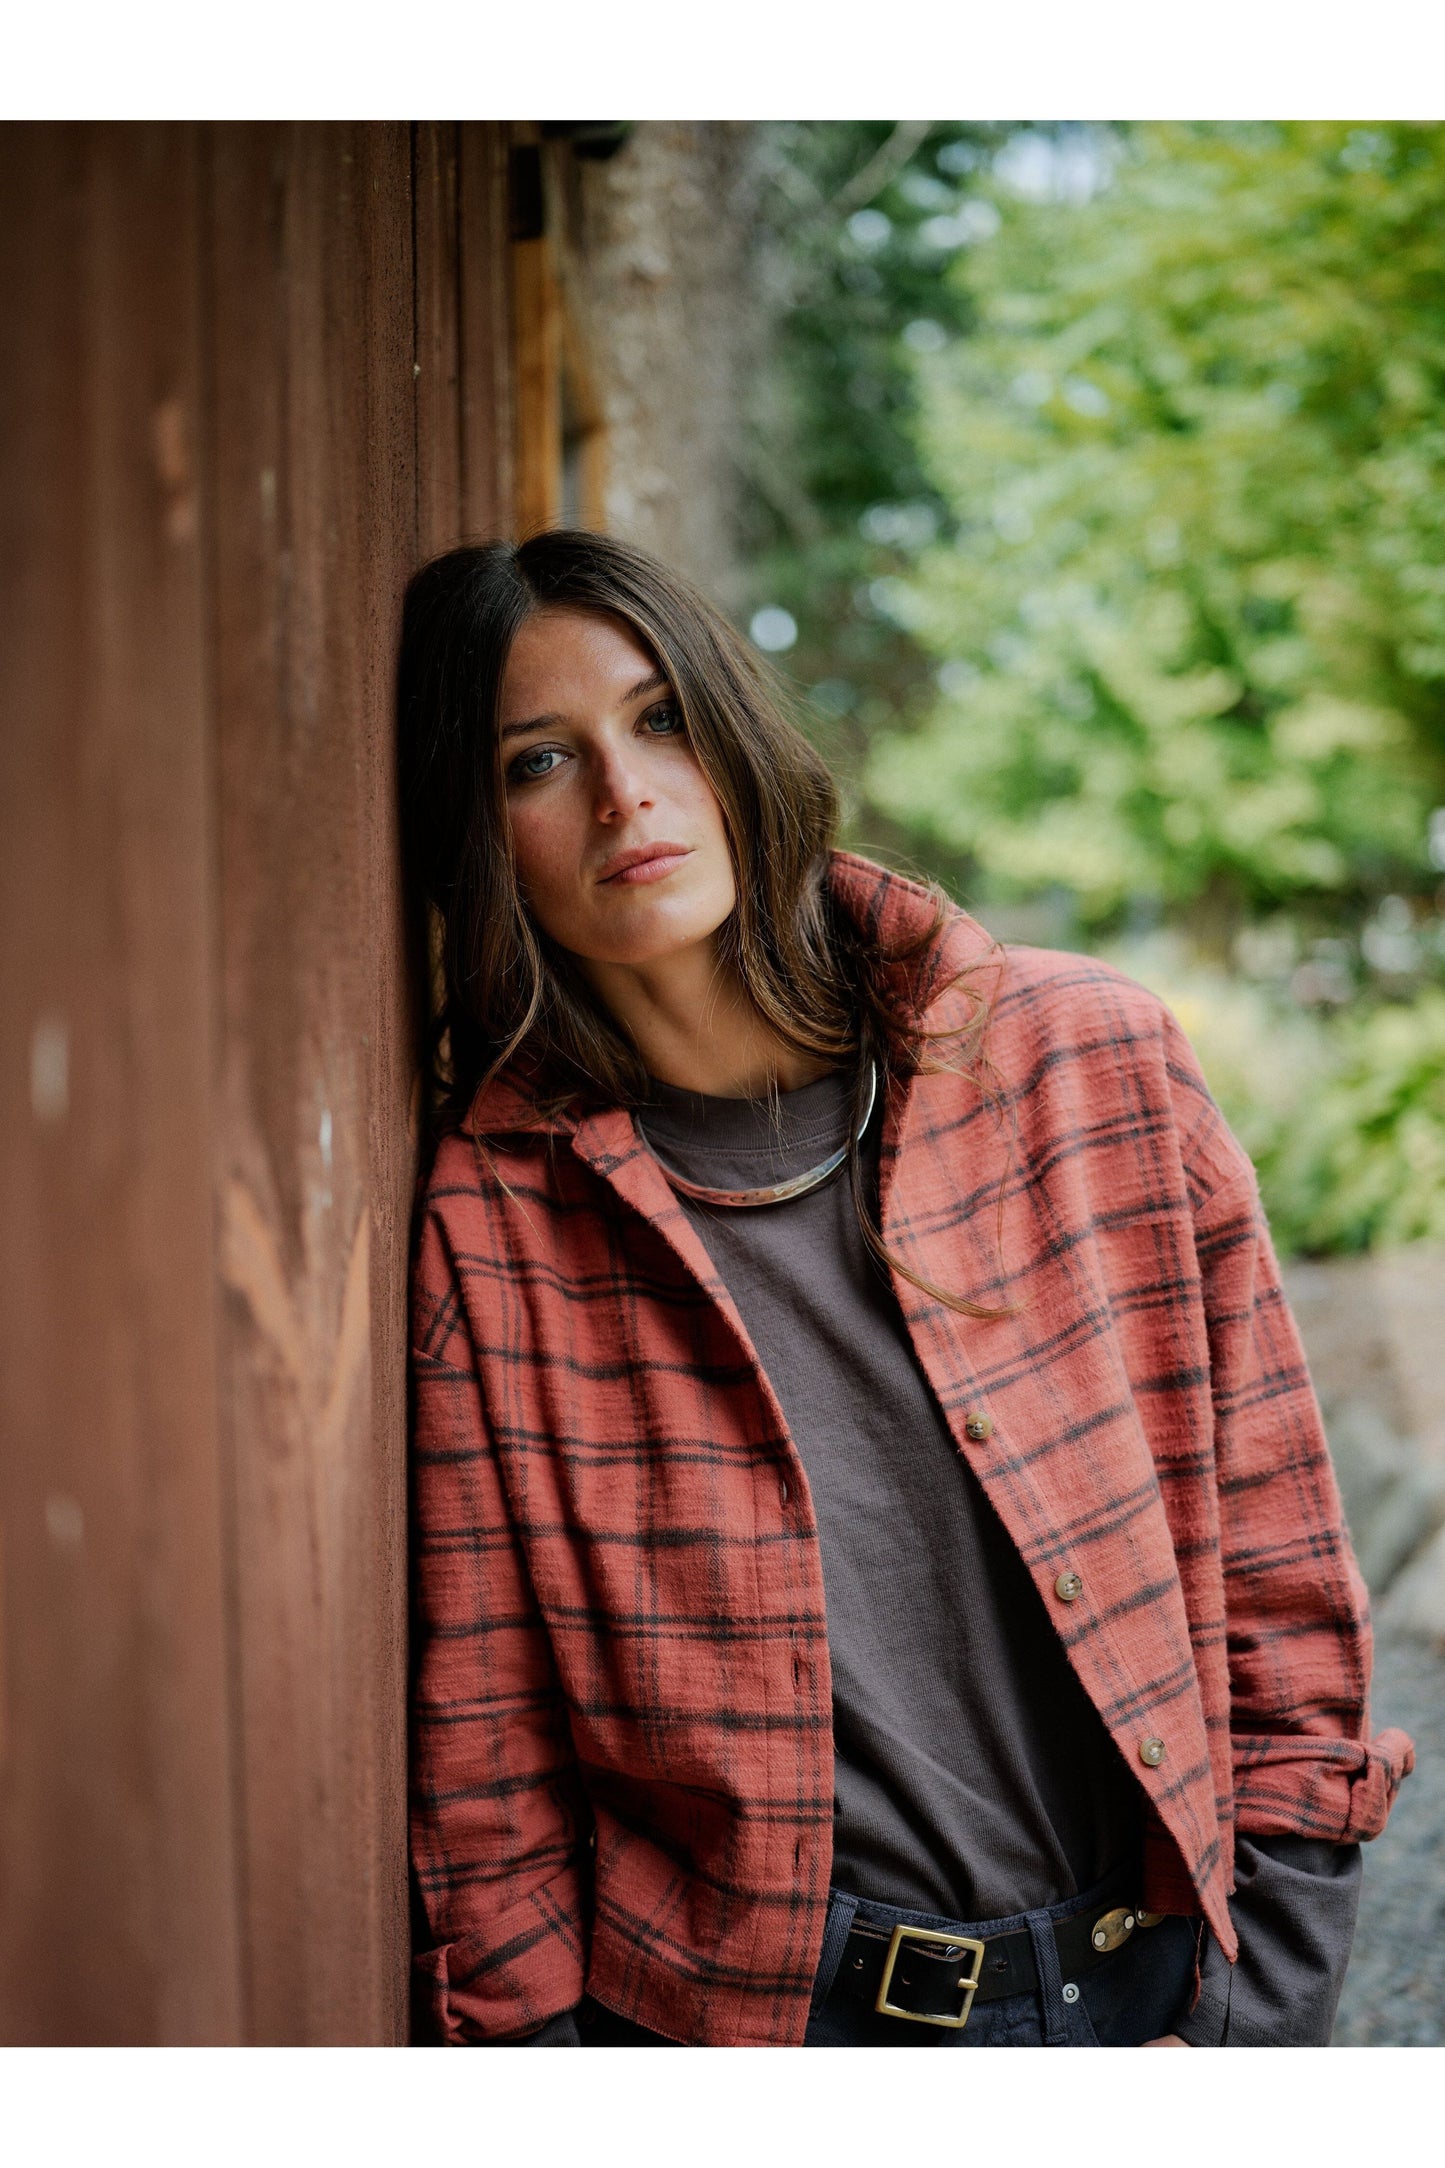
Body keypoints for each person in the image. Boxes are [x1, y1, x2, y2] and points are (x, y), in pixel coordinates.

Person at [398, 529, 1414, 2049]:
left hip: (1153, 1994)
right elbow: (485, 1752)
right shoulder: (498, 1215)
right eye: (539, 761)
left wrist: (1248, 2029)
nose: (625, 794)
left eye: (661, 716)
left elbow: (1275, 1573)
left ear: (737, 733)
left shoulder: (1089, 1065)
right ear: (479, 835)